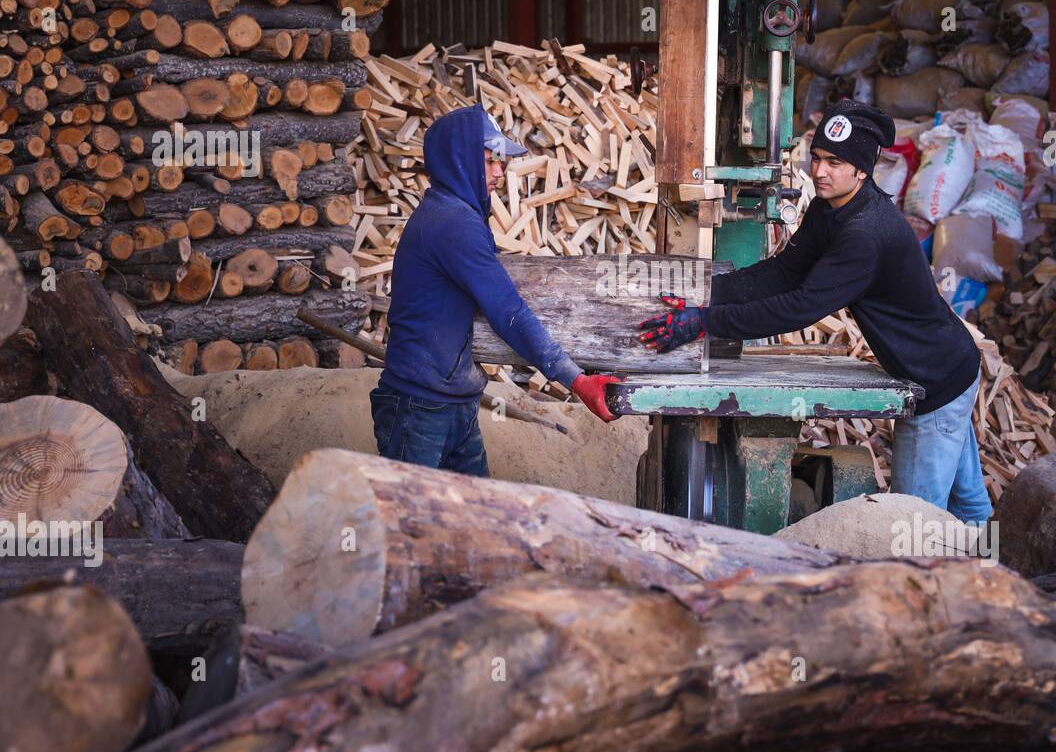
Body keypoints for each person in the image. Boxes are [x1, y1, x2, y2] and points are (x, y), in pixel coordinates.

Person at [637, 99, 992, 525]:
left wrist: (705, 324)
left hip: (938, 381)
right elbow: (785, 271)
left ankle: (950, 588)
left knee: (912, 525)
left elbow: (800, 306)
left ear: (863, 170)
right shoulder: (831, 208)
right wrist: (708, 295)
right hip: (947, 363)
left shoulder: (866, 234)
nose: (819, 172)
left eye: (836, 162)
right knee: (969, 509)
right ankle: (992, 579)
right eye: (818, 158)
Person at [373, 104, 620, 475]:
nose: (499, 172)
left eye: (500, 161)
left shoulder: (459, 214)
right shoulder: (451, 223)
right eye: (488, 161)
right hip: (419, 408)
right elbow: (507, 310)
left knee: (474, 520)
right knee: (411, 526)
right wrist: (576, 378)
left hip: (452, 399)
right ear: (459, 162)